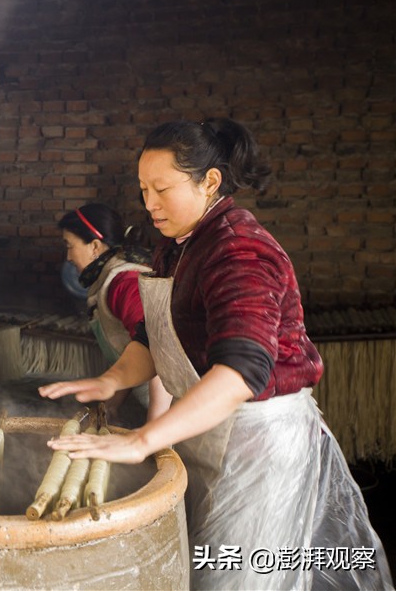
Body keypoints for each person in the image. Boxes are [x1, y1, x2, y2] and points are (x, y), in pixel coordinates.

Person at [39, 119, 392, 590]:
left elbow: (241, 372)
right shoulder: (177, 249)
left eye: (162, 188)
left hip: (257, 447)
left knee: (237, 578)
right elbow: (155, 338)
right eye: (143, 189)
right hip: (210, 434)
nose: (148, 204)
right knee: (206, 565)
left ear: (210, 182)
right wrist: (112, 380)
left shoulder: (239, 251)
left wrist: (143, 439)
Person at [57, 203, 171, 424]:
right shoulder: (109, 279)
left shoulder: (124, 283)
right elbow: (132, 349)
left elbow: (161, 351)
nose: (68, 257)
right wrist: (112, 405)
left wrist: (154, 435)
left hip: (183, 414)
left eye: (69, 246)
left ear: (95, 246)